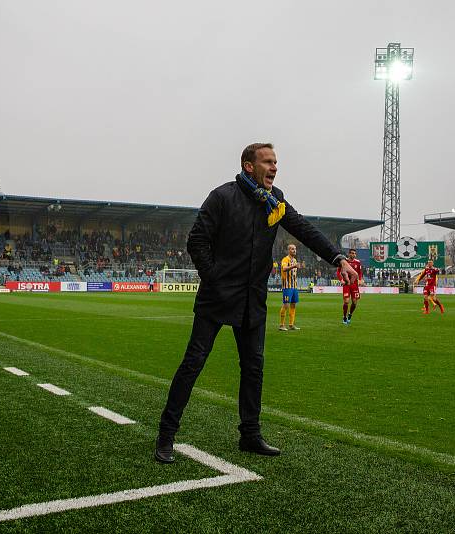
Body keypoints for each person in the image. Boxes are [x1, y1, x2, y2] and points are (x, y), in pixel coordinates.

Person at [154, 142, 358, 462]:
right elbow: (197, 241)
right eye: (268, 161)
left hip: (253, 300)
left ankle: (250, 435)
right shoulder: (222, 197)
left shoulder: (274, 201)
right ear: (250, 166)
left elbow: (303, 228)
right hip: (217, 298)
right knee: (193, 364)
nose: (275, 167)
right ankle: (166, 435)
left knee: (253, 368)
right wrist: (215, 280)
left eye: (276, 162)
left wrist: (338, 258)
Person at [337, 248, 363, 324]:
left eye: (354, 253)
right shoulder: (344, 261)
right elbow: (338, 272)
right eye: (351, 253)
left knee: (354, 303)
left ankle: (350, 314)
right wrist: (341, 280)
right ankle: (344, 317)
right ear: (349, 254)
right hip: (346, 284)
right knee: (346, 302)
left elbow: (360, 273)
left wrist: (360, 280)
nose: (353, 254)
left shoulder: (358, 262)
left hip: (354, 284)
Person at [278, 243, 300, 331]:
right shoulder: (285, 259)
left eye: (295, 249)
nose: (294, 250)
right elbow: (284, 269)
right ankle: (281, 325)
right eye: (292, 249)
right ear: (288, 250)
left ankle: (291, 324)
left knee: (293, 305)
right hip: (287, 286)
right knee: (286, 305)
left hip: (294, 286)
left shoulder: (295, 260)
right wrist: (294, 266)